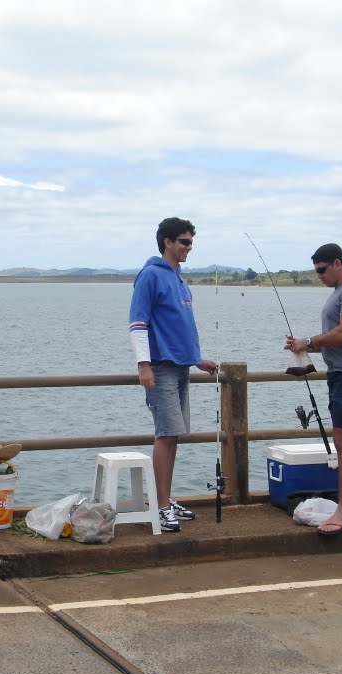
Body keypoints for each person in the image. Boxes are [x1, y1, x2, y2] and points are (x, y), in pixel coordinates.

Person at [129, 217, 219, 532]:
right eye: (184, 242)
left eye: (191, 242)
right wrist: (144, 365)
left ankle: (165, 499)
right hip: (160, 367)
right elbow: (138, 323)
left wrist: (197, 360)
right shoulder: (151, 276)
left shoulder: (178, 277)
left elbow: (178, 327)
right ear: (167, 241)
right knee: (166, 435)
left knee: (174, 435)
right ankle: (160, 505)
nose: (189, 248)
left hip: (180, 367)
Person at [285, 243, 342, 536]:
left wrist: (308, 343)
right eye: (316, 271)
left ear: (337, 263)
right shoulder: (341, 293)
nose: (319, 276)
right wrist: (306, 342)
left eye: (322, 270)